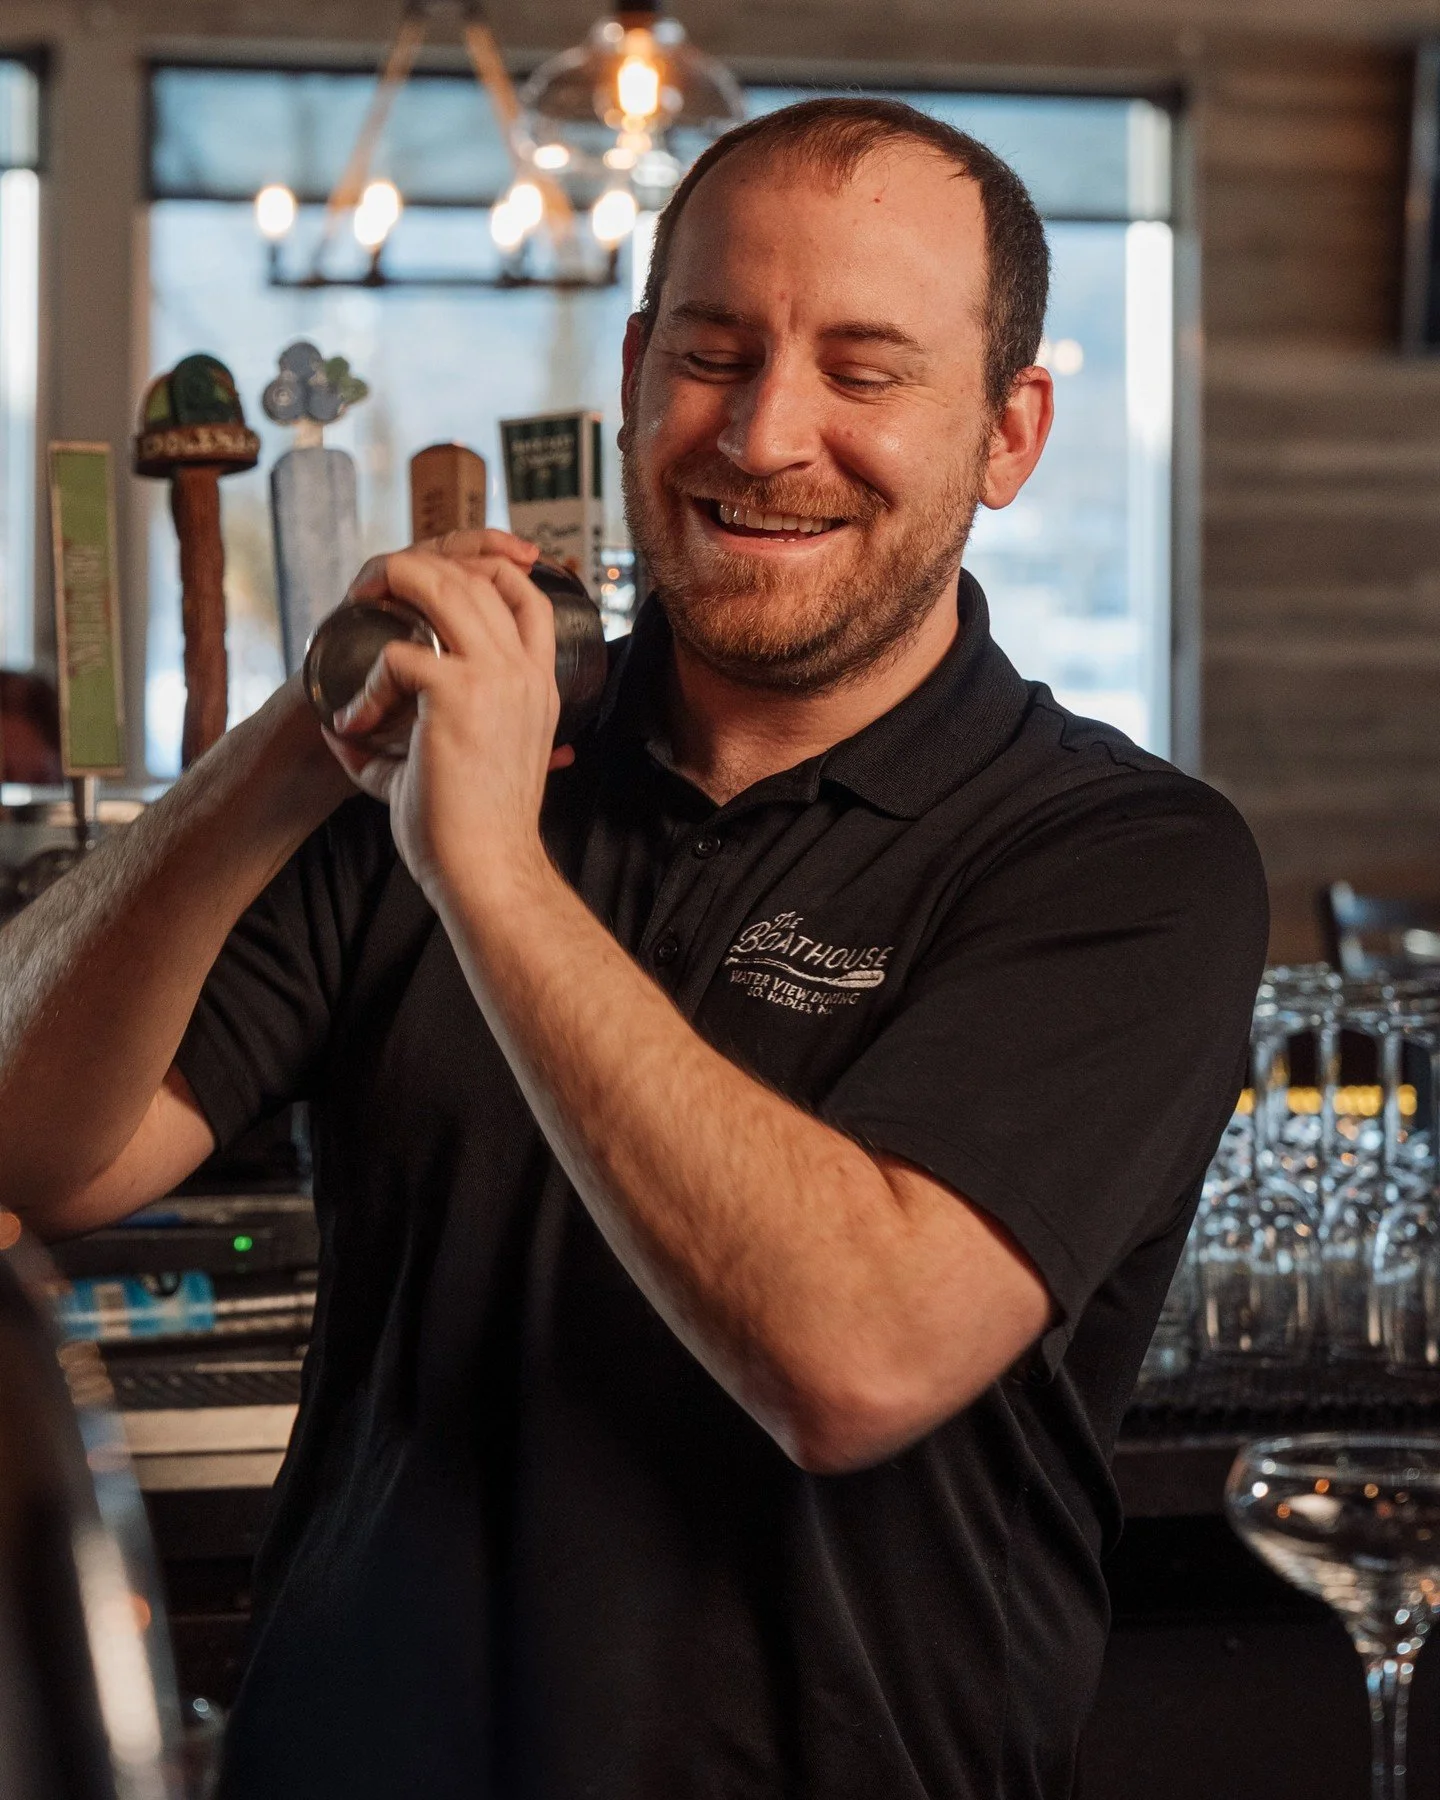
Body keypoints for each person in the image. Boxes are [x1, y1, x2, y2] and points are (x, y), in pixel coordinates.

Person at [0, 98, 1267, 1799]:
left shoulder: (1119, 860)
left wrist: (489, 871)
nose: (763, 435)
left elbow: (856, 1355)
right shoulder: (450, 757)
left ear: (1008, 432)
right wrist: (285, 754)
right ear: (631, 370)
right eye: (716, 351)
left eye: (867, 372)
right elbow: (41, 1146)